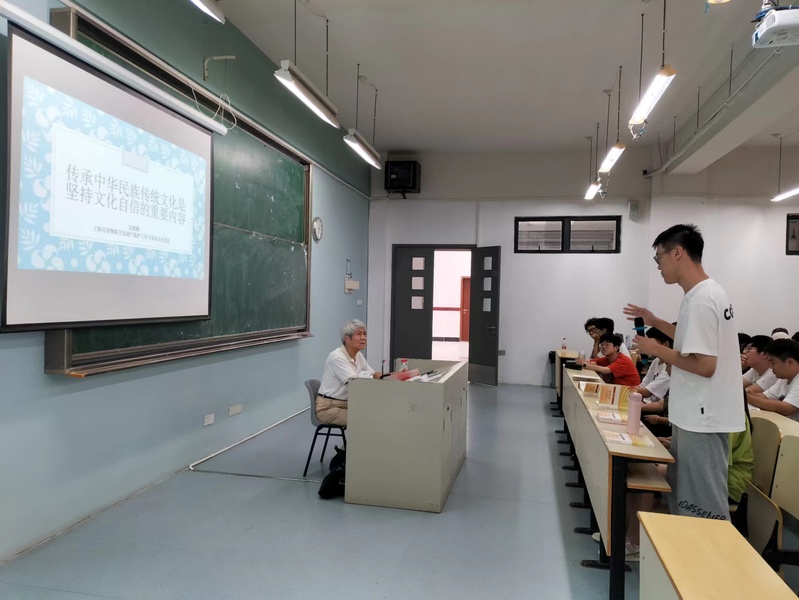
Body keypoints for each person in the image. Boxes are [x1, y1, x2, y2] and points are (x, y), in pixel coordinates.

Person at [624, 223, 744, 522]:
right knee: (684, 496)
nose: (659, 266)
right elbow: (692, 340)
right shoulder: (704, 293)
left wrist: (656, 349)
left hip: (702, 417)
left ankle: (712, 553)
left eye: (659, 258)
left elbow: (705, 365)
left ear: (677, 253)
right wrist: (655, 321)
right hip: (695, 414)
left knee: (702, 505)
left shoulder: (702, 299)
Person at [316, 319, 382, 426]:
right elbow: (355, 385)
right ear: (347, 338)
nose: (363, 338)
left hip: (347, 404)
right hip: (329, 408)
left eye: (364, 334)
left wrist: (391, 376)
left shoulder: (358, 355)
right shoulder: (337, 357)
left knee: (377, 414)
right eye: (359, 334)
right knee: (365, 421)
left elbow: (373, 375)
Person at [746, 339, 799, 421]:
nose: (770, 367)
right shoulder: (784, 379)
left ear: (789, 362)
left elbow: (786, 408)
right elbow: (766, 397)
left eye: (773, 363)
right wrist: (748, 394)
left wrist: (747, 396)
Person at [635, 327, 673, 414]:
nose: (646, 345)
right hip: (643, 403)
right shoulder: (656, 361)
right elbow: (643, 385)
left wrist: (621, 390)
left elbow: (646, 392)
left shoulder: (670, 367)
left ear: (665, 344)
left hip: (652, 410)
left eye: (650, 342)